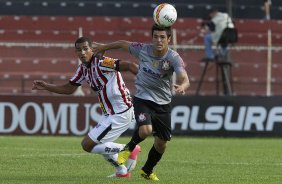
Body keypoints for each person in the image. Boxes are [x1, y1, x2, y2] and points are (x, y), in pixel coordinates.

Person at [32, 36, 141, 178]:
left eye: (85, 49)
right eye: (79, 50)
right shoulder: (83, 69)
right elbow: (69, 89)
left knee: (87, 144)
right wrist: (47, 86)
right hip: (109, 114)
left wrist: (149, 82)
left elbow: (130, 66)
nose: (82, 53)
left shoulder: (102, 62)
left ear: (92, 49)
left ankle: (130, 149)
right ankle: (121, 171)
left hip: (120, 112)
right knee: (102, 146)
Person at [92, 24, 190, 181]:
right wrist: (104, 47)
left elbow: (184, 76)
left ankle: (147, 170)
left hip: (163, 103)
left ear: (168, 39)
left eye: (162, 37)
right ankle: (127, 149)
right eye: (156, 37)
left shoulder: (173, 58)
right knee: (145, 130)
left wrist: (183, 86)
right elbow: (123, 44)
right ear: (152, 38)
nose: (158, 40)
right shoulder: (143, 49)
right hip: (142, 98)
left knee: (162, 143)